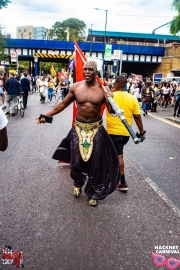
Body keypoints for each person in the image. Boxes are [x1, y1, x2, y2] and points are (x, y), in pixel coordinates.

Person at [36, 60, 120, 206]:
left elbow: (112, 112)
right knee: (75, 162)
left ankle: (93, 192)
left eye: (90, 69)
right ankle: (78, 182)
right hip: (78, 128)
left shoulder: (103, 89)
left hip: (96, 129)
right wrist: (46, 115)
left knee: (96, 163)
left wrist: (110, 99)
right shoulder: (76, 87)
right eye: (85, 69)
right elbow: (62, 104)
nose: (87, 72)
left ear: (96, 72)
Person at [106, 76, 145, 192]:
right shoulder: (132, 98)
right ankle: (114, 176)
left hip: (113, 132)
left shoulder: (110, 96)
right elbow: (137, 117)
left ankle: (122, 183)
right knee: (116, 154)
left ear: (117, 84)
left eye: (114, 83)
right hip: (126, 134)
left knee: (118, 156)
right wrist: (142, 133)